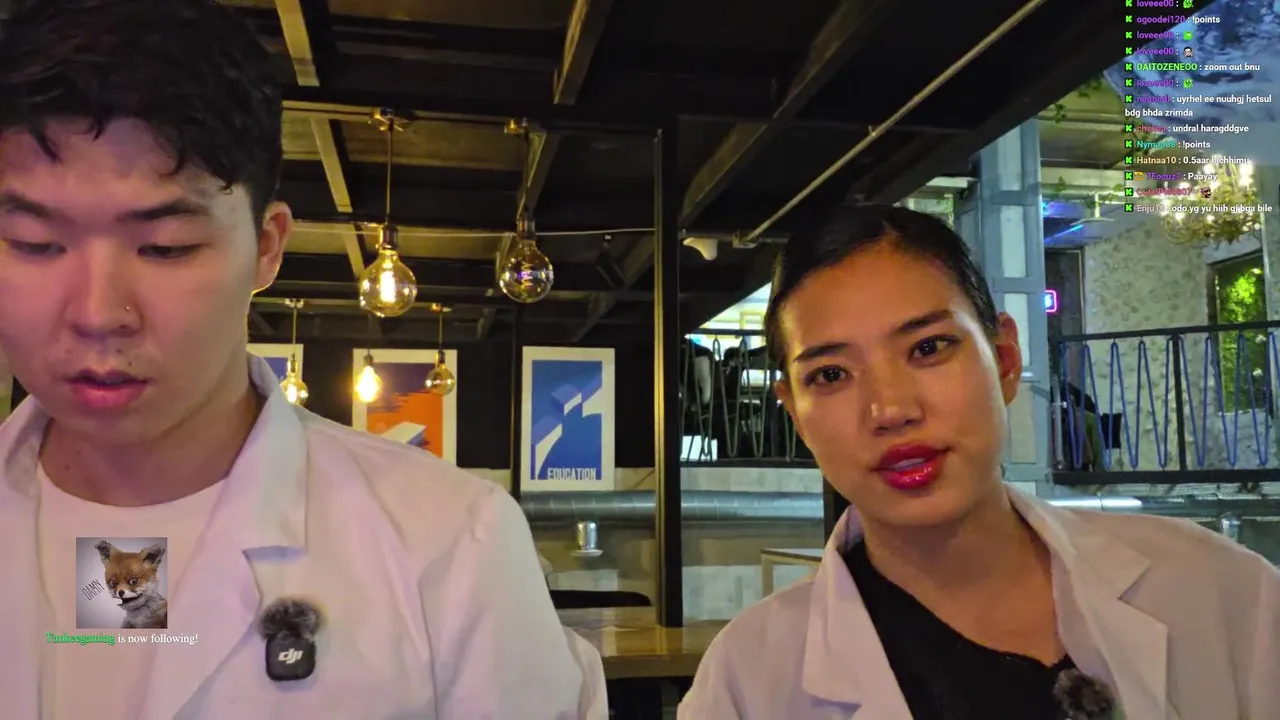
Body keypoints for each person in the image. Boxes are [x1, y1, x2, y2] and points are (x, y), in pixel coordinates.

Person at [0, 1, 604, 718]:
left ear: (266, 247)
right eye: (34, 242)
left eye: (166, 248)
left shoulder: (451, 545)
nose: (98, 314)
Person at [677, 205, 1280, 719]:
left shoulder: (1221, 592)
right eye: (831, 375)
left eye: (928, 347)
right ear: (795, 412)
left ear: (1006, 358)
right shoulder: (749, 681)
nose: (890, 409)